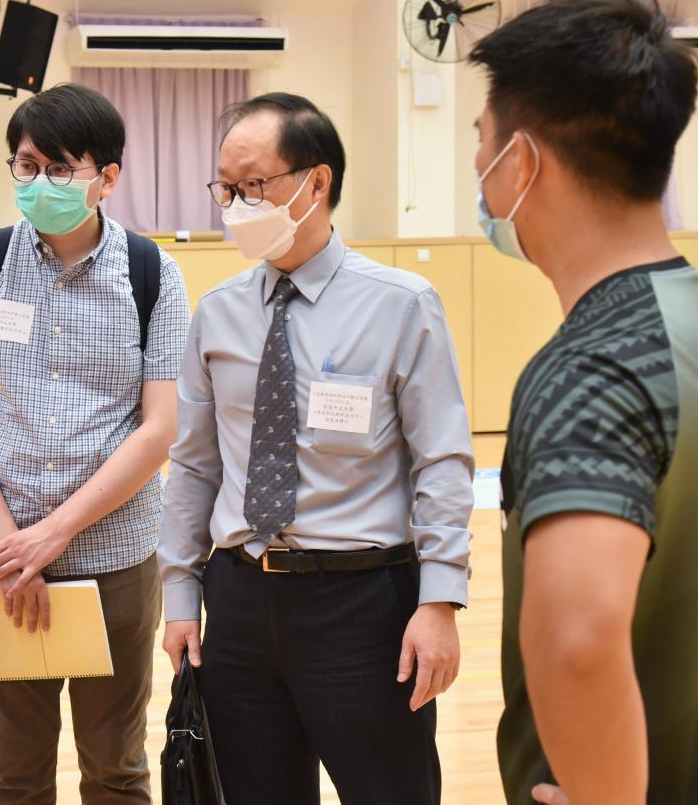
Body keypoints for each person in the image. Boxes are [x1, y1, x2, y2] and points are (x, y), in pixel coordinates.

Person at [468, 0, 698, 804]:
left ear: (521, 162)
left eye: (481, 139)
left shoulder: (592, 370)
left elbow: (576, 646)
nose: (476, 164)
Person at [158, 92, 473, 805]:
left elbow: (443, 460)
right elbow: (195, 466)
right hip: (239, 600)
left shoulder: (401, 304)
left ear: (317, 182)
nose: (237, 205)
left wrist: (440, 600)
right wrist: (180, 595)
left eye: (254, 185)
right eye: (226, 189)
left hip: (361, 601)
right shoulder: (218, 312)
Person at [0, 83, 191, 803]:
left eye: (60, 169)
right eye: (26, 165)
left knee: (116, 768)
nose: (39, 182)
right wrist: (11, 547)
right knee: (15, 771)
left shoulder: (153, 273)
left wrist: (54, 533)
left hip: (116, 554)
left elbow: (159, 428)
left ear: (108, 177)